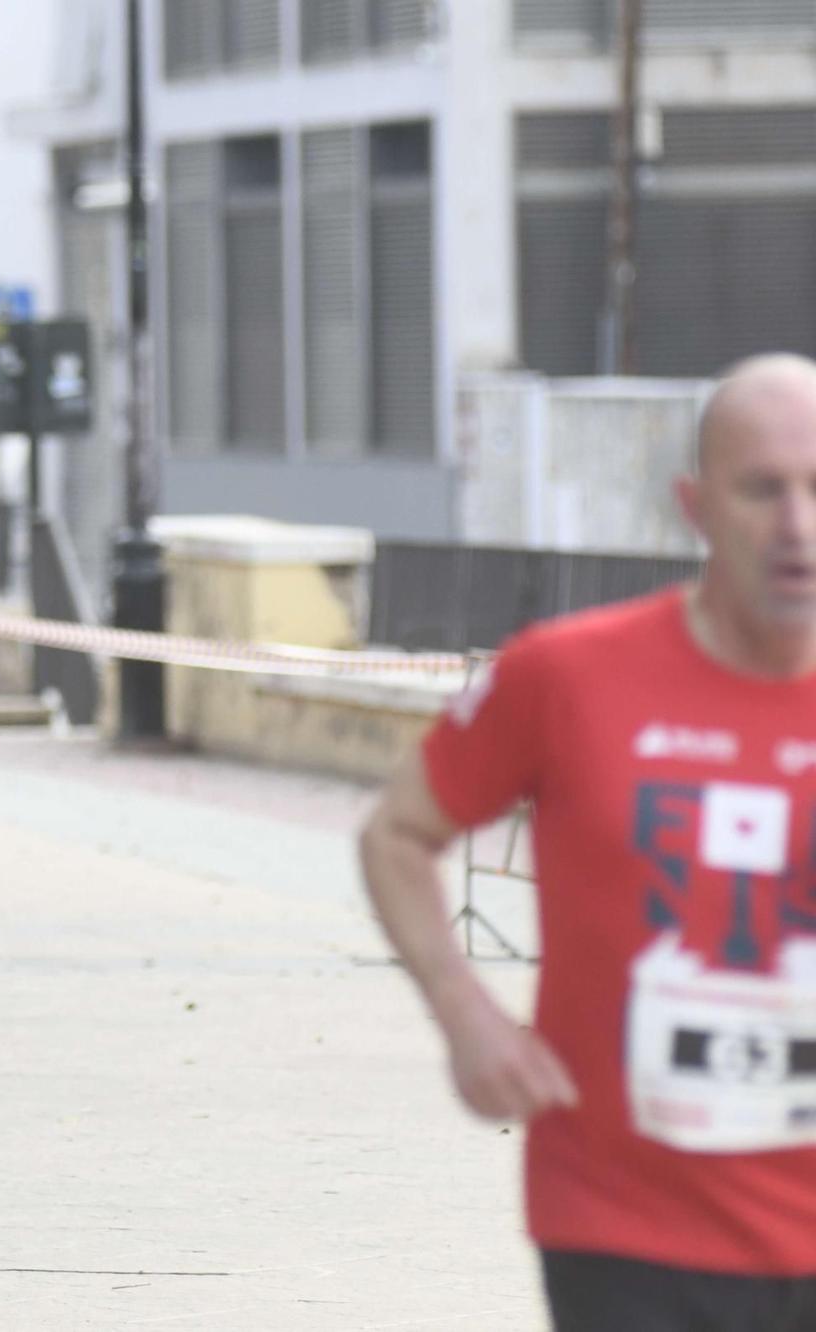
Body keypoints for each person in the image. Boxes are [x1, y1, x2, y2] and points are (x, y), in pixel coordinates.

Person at [359, 353, 816, 1331]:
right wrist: (461, 1010)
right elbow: (395, 833)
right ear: (692, 507)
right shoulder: (565, 677)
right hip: (622, 1226)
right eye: (761, 490)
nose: (796, 527)